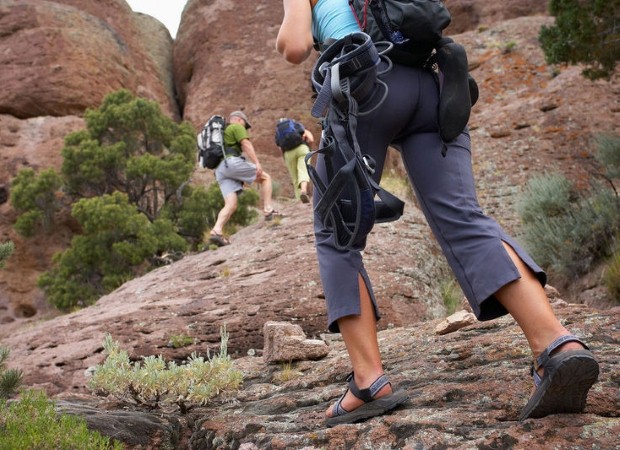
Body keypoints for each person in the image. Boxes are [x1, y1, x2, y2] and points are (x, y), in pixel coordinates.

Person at [276, 0, 599, 427]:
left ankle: (369, 381)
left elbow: (294, 46)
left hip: (365, 88)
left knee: (337, 234)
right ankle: (556, 346)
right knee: (464, 217)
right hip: (434, 85)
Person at [209, 110, 282, 246]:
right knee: (266, 178)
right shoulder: (236, 127)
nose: (245, 128)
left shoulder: (223, 133)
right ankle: (269, 211)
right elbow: (246, 144)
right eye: (245, 125)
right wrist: (256, 162)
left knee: (231, 204)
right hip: (230, 163)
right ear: (239, 120)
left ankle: (216, 230)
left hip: (220, 170)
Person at [275, 118, 315, 203]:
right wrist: (309, 148)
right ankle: (303, 191)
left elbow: (279, 147)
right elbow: (311, 139)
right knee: (303, 171)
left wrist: (286, 157)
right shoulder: (296, 126)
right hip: (302, 149)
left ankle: (299, 200)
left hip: (288, 154)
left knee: (295, 178)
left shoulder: (278, 133)